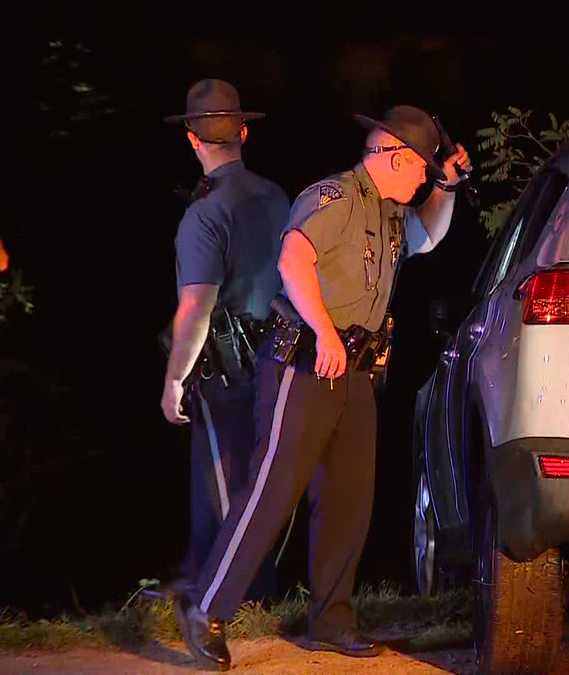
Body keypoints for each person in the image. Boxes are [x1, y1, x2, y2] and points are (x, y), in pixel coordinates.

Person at [173, 105, 470, 670]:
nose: (424, 181)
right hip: (305, 362)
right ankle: (208, 608)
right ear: (394, 156)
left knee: (348, 498)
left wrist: (447, 187)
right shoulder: (334, 197)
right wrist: (324, 331)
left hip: (355, 368)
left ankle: (331, 621)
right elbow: (293, 260)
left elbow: (428, 237)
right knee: (272, 489)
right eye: (422, 170)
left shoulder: (389, 209)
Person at [160, 79, 288, 606]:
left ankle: (219, 593)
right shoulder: (278, 196)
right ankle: (252, 585)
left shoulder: (204, 214)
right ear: (242, 132)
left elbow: (197, 305)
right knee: (261, 478)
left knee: (219, 478)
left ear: (192, 139)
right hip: (279, 358)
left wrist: (174, 377)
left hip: (224, 363)